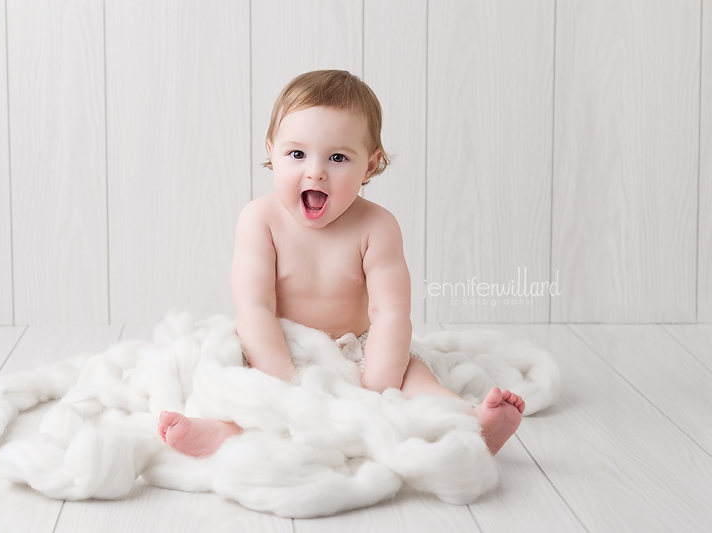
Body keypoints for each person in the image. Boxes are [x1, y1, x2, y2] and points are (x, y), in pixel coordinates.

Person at [158, 70, 524, 458]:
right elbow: (254, 307)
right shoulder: (259, 219)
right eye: (297, 154)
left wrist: (375, 389)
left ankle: (470, 422)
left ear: (369, 165)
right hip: (276, 345)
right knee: (233, 379)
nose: (315, 171)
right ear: (271, 151)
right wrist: (283, 381)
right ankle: (223, 430)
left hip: (360, 350)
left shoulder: (377, 227)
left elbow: (390, 315)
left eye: (337, 157)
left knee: (415, 376)